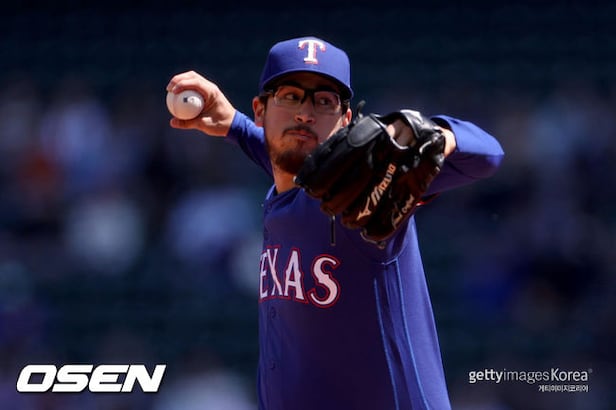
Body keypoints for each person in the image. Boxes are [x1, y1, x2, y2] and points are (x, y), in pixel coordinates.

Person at [166, 36, 504, 410]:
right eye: (290, 96)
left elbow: (489, 155)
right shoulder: (291, 181)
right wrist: (234, 125)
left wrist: (437, 136)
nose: (305, 114)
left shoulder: (362, 194)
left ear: (345, 121)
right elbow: (282, 158)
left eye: (324, 102)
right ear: (260, 110)